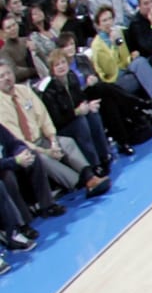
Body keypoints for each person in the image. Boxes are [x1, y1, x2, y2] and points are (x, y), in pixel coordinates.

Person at [0, 66, 108, 198]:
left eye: (8, 73)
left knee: (67, 142)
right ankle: (81, 182)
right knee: (42, 158)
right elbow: (16, 139)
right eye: (1, 76)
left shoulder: (24, 91)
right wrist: (46, 151)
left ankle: (89, 176)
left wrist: (53, 140)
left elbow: (43, 116)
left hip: (42, 137)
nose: (7, 78)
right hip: (24, 148)